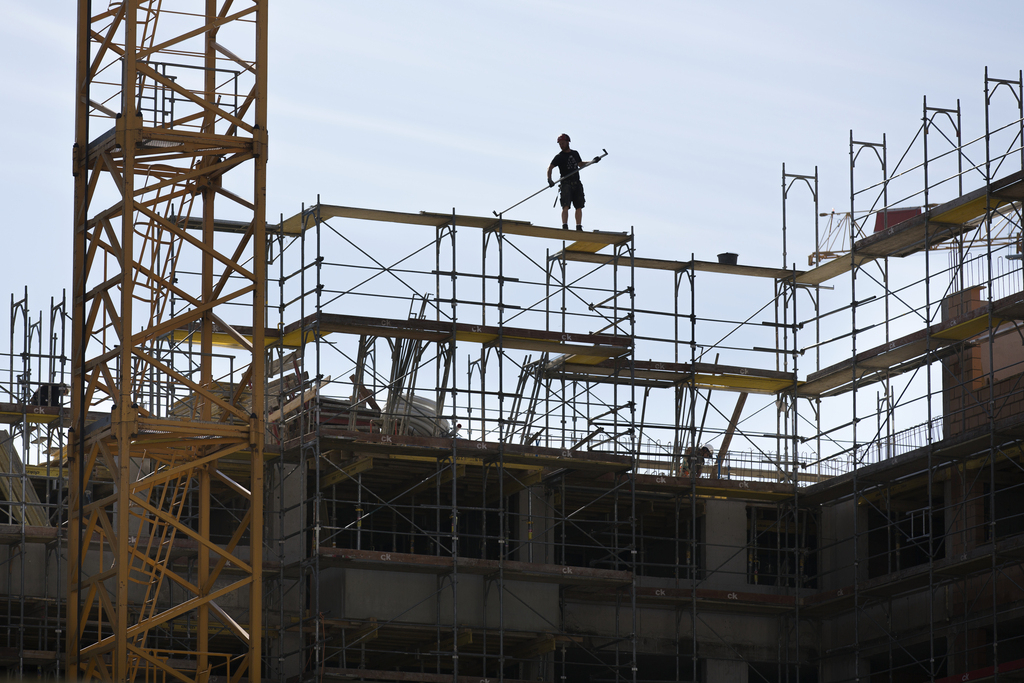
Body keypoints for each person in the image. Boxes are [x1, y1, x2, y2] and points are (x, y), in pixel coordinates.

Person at [547, 133, 600, 230]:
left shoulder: (575, 153)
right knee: (565, 205)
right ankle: (565, 225)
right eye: (560, 144)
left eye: (563, 143)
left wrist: (592, 161)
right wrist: (549, 179)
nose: (561, 145)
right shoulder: (559, 156)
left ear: (568, 142)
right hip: (566, 183)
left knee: (579, 206)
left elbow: (580, 164)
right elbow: (550, 168)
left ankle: (579, 226)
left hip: (576, 183)